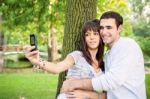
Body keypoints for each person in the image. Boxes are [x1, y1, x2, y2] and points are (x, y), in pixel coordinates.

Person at [61, 11, 146, 99]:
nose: (104, 32)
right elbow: (108, 91)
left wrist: (75, 83)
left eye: (109, 27)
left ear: (119, 28)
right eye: (101, 28)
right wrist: (86, 94)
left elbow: (111, 81)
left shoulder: (127, 46)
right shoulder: (107, 56)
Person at [24, 19, 106, 99]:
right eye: (87, 34)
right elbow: (56, 68)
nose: (91, 37)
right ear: (84, 38)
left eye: (95, 34)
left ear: (101, 37)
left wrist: (86, 94)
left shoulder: (104, 64)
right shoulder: (77, 56)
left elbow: (107, 95)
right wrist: (38, 61)